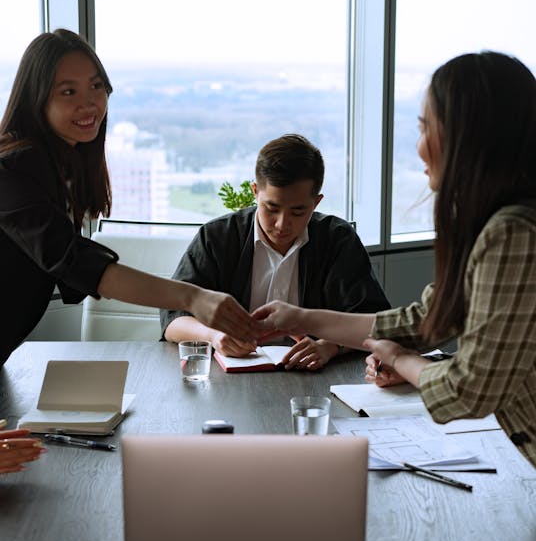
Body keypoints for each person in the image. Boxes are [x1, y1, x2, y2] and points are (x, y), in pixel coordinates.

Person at [253, 51, 536, 468]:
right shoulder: (499, 224)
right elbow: (426, 318)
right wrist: (300, 317)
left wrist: (404, 360)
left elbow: (468, 390)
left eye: (425, 128)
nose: (419, 147)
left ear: (467, 137)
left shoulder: (513, 235)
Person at [0, 29, 255, 367]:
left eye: (96, 85)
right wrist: (192, 296)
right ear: (37, 99)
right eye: (67, 91)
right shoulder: (16, 166)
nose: (88, 102)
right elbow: (73, 259)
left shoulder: (58, 166)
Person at [161, 134, 390, 369]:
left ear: (316, 202)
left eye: (298, 212)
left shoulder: (337, 239)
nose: (282, 224)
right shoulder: (217, 237)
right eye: (271, 208)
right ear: (255, 192)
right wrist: (214, 336)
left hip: (316, 377)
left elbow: (376, 321)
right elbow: (173, 319)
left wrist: (330, 345)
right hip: (230, 378)